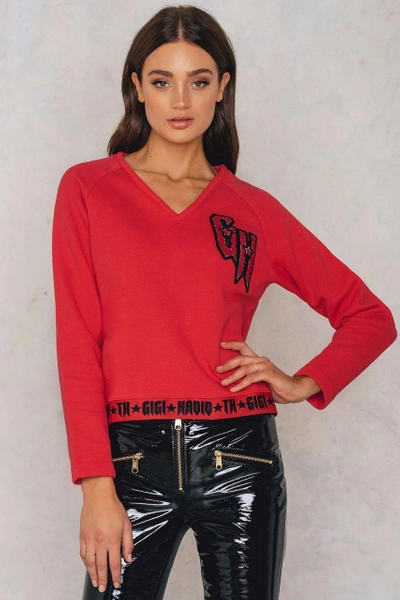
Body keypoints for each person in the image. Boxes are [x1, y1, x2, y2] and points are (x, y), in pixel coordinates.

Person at [51, 5, 397, 600]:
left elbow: (371, 316)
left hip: (241, 459)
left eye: (199, 80)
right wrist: (96, 486)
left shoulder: (251, 209)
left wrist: (304, 382)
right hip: (131, 466)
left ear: (222, 87)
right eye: (162, 81)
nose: (180, 99)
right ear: (137, 87)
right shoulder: (88, 190)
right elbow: (78, 342)